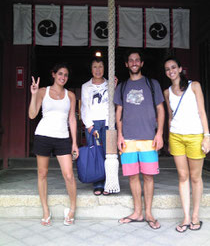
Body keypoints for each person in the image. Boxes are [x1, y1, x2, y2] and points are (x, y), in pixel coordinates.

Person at [114, 48, 165, 229]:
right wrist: (119, 135)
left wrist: (159, 134)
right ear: (126, 64)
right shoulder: (122, 87)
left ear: (141, 63)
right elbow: (118, 113)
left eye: (137, 60)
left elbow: (161, 110)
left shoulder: (152, 84)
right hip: (127, 139)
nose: (134, 63)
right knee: (133, 176)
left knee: (149, 176)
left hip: (149, 139)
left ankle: (149, 213)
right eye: (131, 60)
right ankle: (137, 212)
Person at [28, 63, 79, 226]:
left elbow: (72, 119)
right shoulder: (43, 91)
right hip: (43, 136)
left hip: (62, 138)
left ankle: (72, 209)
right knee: (42, 174)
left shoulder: (70, 95)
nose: (63, 77)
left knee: (69, 175)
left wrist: (75, 143)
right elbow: (32, 114)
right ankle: (45, 210)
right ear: (53, 74)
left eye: (66, 75)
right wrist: (34, 94)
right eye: (60, 74)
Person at [164, 58, 210, 233]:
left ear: (180, 69)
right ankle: (186, 217)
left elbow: (202, 111)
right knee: (183, 177)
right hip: (176, 136)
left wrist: (207, 136)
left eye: (173, 67)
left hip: (195, 136)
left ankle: (196, 215)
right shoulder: (166, 92)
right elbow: (170, 117)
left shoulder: (194, 86)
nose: (171, 71)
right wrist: (169, 139)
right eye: (167, 69)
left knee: (195, 177)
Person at [81, 57, 110, 196]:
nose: (98, 70)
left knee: (108, 153)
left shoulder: (110, 84)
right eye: (95, 67)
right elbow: (84, 107)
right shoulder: (86, 86)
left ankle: (109, 182)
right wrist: (89, 125)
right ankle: (98, 183)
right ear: (91, 69)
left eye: (100, 66)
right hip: (93, 124)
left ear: (104, 68)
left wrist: (115, 88)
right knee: (95, 155)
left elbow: (114, 104)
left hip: (107, 123)